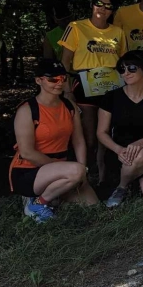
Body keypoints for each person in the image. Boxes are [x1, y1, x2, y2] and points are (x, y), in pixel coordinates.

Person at [10, 60, 98, 222]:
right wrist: (67, 169)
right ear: (38, 81)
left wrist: (83, 169)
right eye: (52, 80)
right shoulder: (27, 110)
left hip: (63, 169)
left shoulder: (69, 105)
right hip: (29, 171)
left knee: (93, 206)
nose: (59, 83)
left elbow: (78, 141)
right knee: (76, 172)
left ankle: (55, 198)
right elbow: (27, 152)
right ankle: (37, 203)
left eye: (63, 79)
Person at [59, 0, 126, 184]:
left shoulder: (118, 32)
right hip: (84, 85)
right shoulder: (76, 27)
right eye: (99, 3)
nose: (102, 9)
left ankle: (105, 175)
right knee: (88, 137)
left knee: (106, 134)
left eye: (108, 6)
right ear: (91, 4)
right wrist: (67, 90)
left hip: (111, 86)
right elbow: (64, 62)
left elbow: (123, 62)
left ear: (113, 11)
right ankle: (86, 174)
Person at [96, 50, 143, 208]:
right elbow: (101, 132)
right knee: (141, 155)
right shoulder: (111, 97)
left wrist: (141, 142)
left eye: (132, 68)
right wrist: (118, 149)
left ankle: (131, 186)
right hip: (120, 153)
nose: (126, 73)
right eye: (122, 69)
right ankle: (121, 187)